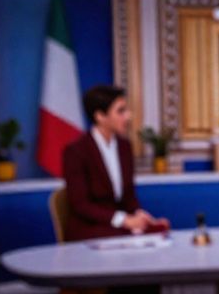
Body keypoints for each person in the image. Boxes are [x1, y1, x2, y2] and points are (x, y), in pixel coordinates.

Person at [62, 85, 168, 242]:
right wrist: (124, 220)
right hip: (90, 229)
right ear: (100, 116)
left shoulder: (125, 147)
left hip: (118, 227)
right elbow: (81, 205)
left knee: (159, 231)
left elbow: (129, 197)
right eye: (121, 111)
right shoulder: (76, 151)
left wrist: (140, 215)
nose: (128, 116)